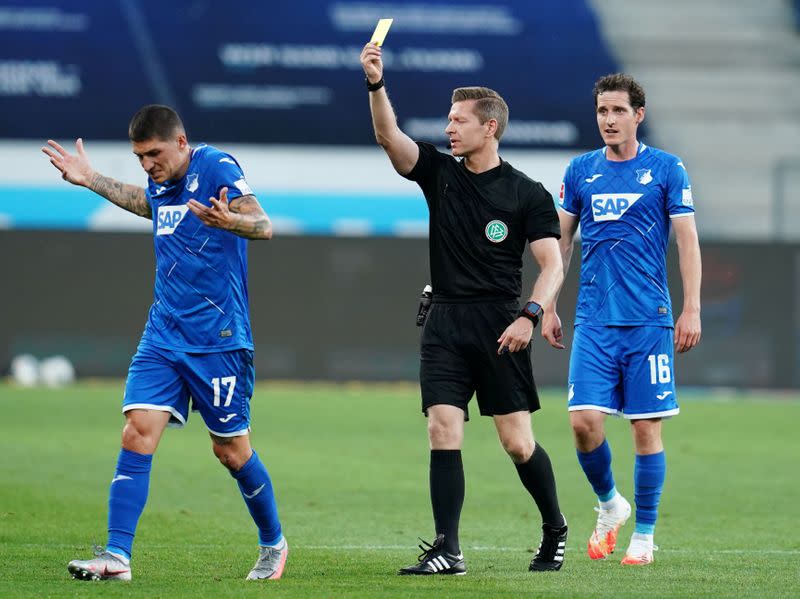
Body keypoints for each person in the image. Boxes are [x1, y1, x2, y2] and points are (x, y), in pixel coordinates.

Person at [41, 105, 288, 581]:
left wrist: (230, 222)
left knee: (231, 451)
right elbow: (147, 203)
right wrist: (91, 178)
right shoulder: (159, 179)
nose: (147, 164)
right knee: (137, 429)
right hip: (163, 334)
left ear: (180, 142)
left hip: (218, 339)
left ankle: (273, 542)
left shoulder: (215, 165)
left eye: (153, 153)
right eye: (139, 156)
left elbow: (264, 225)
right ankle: (116, 557)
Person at [360, 43, 568, 575]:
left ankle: (555, 528)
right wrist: (376, 84)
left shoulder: (527, 194)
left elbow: (552, 265)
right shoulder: (439, 173)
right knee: (442, 429)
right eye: (449, 120)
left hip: (502, 326)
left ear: (489, 127)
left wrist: (531, 314)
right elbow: (389, 137)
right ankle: (448, 549)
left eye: (459, 121)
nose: (449, 128)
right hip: (446, 322)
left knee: (517, 444)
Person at [542, 73, 702, 566]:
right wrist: (546, 303)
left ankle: (645, 537)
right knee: (584, 423)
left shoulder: (666, 169)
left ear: (638, 115)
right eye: (601, 112)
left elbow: (687, 242)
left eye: (617, 111)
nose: (608, 120)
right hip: (593, 319)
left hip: (649, 321)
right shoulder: (580, 170)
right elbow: (559, 245)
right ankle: (611, 504)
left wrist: (691, 307)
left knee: (644, 429)